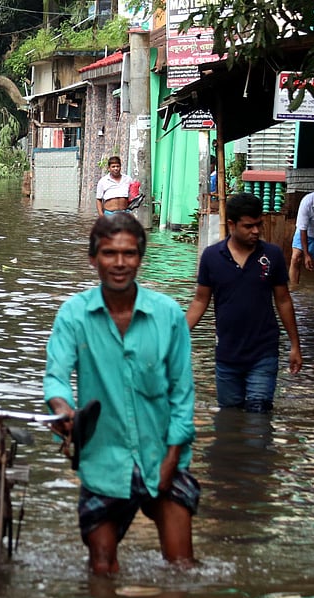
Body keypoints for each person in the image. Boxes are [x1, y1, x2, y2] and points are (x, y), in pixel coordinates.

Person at [43, 213, 198, 576]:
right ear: (93, 258)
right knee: (101, 568)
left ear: (140, 258)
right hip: (103, 460)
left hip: (162, 453)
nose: (119, 263)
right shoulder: (74, 315)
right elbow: (56, 376)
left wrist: (172, 459)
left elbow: (182, 394)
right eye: (109, 253)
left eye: (128, 254)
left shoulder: (168, 315)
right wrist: (63, 409)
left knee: (182, 570)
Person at [186, 192, 303, 413]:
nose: (256, 231)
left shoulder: (272, 255)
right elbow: (200, 301)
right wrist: (178, 335)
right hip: (227, 353)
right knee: (229, 416)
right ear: (232, 224)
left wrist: (295, 345)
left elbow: (284, 301)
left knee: (259, 413)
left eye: (258, 224)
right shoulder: (212, 257)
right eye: (249, 226)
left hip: (264, 351)